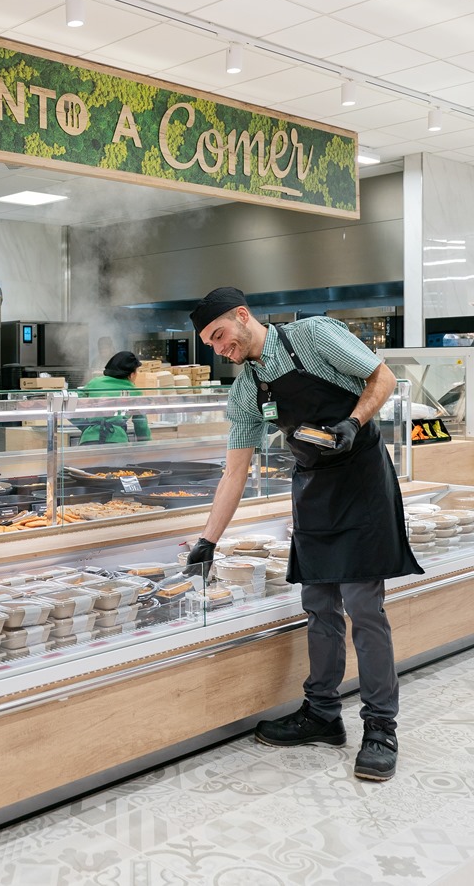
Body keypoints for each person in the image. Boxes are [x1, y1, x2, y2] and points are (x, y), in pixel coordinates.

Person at [185, 287, 423, 782]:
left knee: (363, 606)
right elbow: (235, 472)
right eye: (210, 344)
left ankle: (381, 728)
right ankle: (322, 714)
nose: (219, 348)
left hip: (362, 480)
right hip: (313, 490)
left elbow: (382, 376)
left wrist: (353, 423)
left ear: (243, 316)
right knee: (318, 605)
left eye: (220, 335)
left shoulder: (313, 336)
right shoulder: (246, 390)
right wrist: (208, 540)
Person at [78, 351, 151, 444]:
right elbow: (141, 424)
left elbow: (70, 404)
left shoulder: (94, 382)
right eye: (136, 371)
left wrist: (87, 426)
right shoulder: (134, 391)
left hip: (88, 438)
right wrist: (146, 446)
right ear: (131, 374)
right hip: (117, 440)